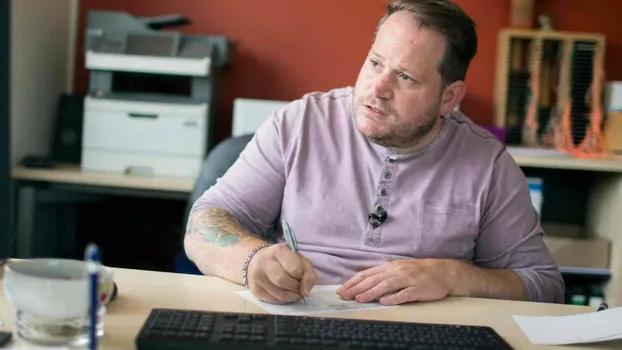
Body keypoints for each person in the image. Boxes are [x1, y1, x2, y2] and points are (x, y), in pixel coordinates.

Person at [184, 0, 565, 306]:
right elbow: (204, 225)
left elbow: (545, 286)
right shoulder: (300, 123)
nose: (377, 88)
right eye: (375, 63)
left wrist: (452, 276)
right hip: (297, 322)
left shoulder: (488, 165)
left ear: (449, 97)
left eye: (405, 77)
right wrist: (252, 260)